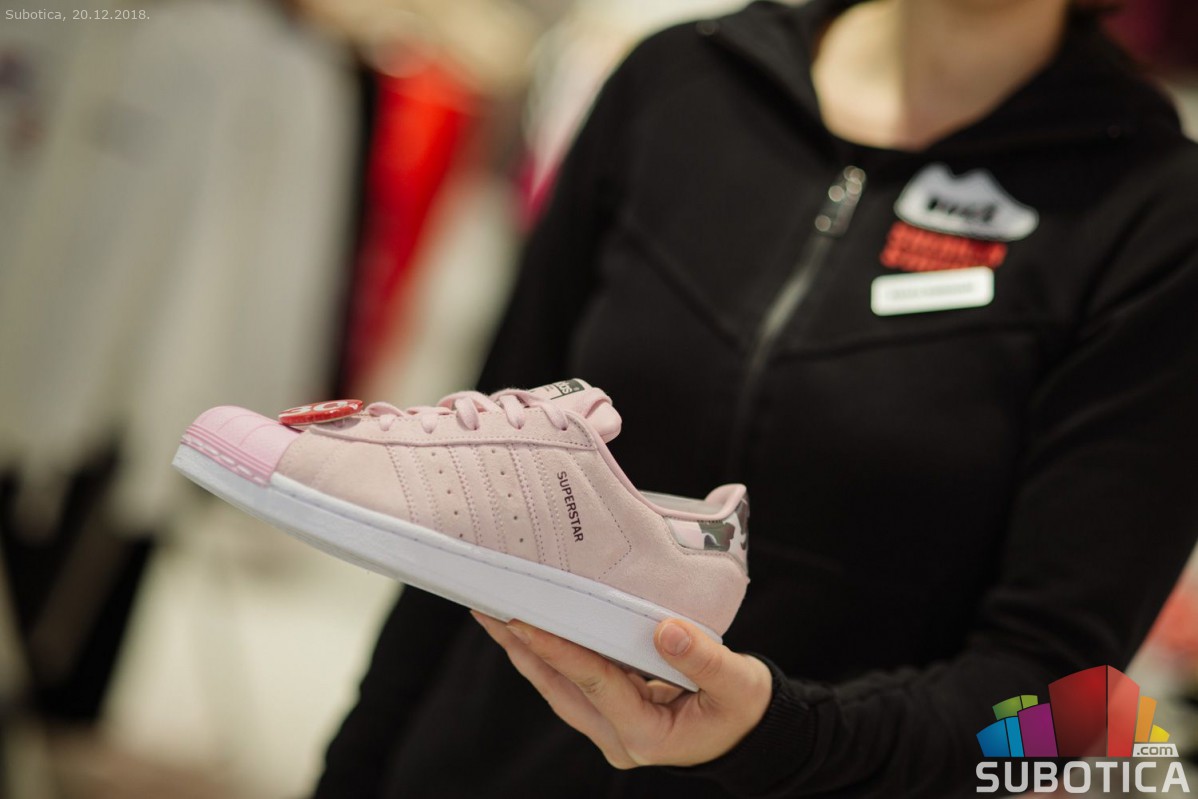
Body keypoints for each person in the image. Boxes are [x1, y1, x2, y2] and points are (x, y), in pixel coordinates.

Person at [314, 0, 1198, 795]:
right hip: (475, 762)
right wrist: (355, 768)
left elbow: (1053, 698)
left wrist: (782, 734)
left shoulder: (1155, 214)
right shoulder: (684, 81)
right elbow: (472, 500)